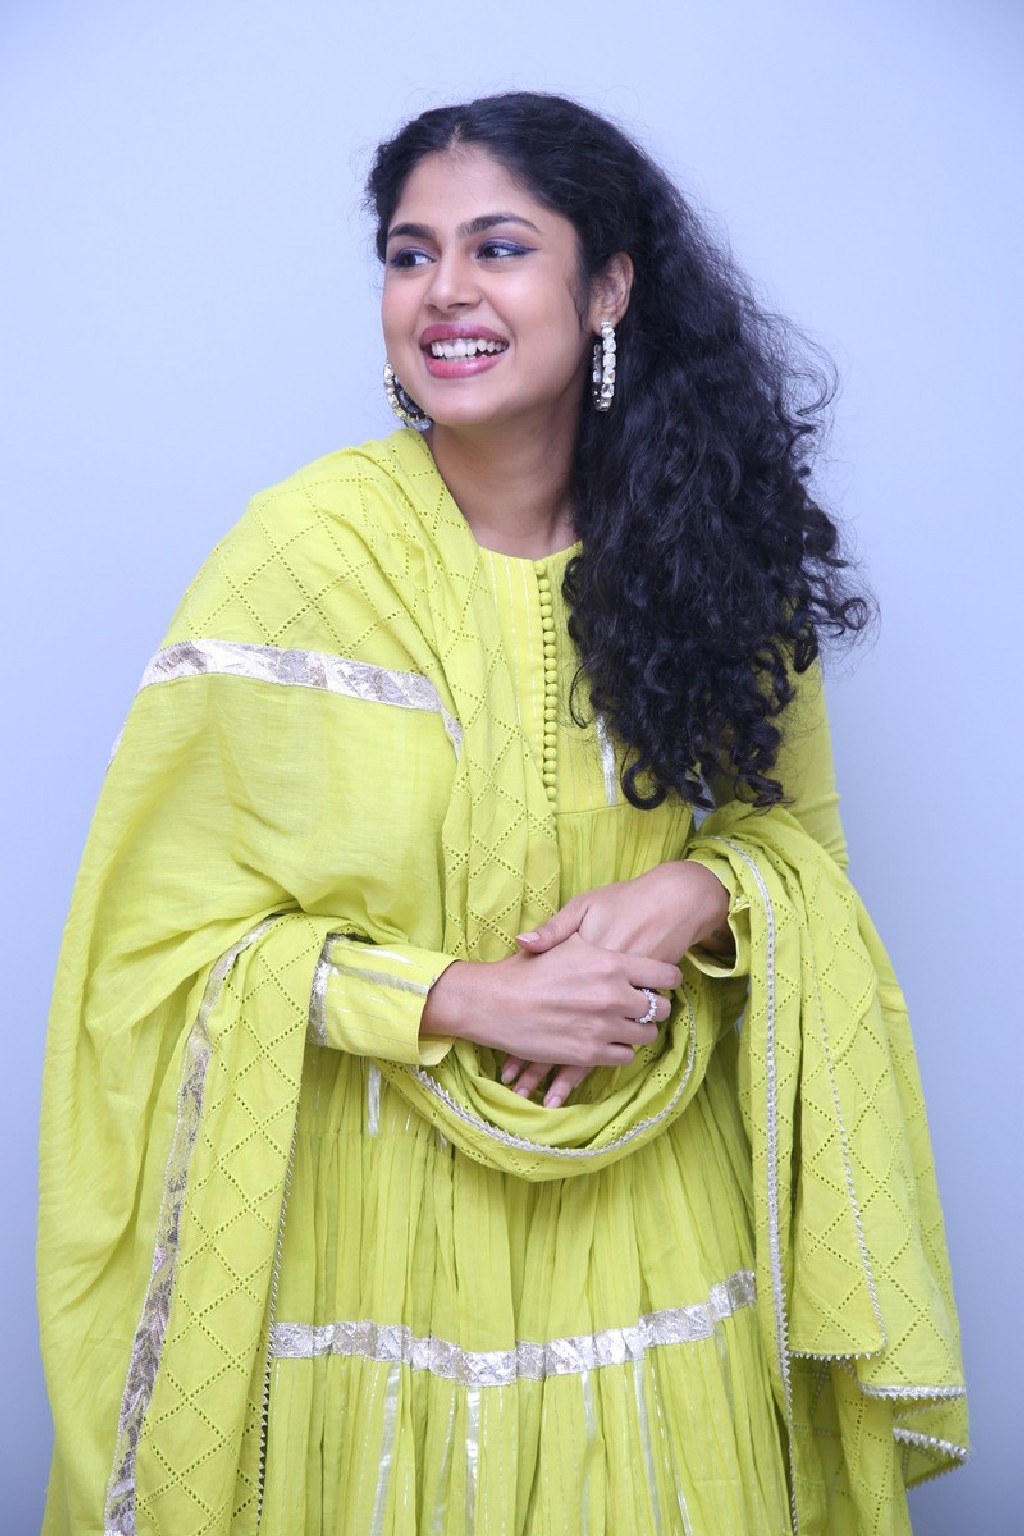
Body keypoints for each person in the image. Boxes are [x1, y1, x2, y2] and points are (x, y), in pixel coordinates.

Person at [38, 92, 967, 1536]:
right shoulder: (302, 554)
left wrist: (696, 893)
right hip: (373, 1229)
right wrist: (460, 998)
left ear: (607, 290)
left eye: (500, 247)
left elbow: (801, 851)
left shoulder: (710, 550)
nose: (444, 292)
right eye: (410, 255)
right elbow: (150, 947)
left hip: (657, 1218)